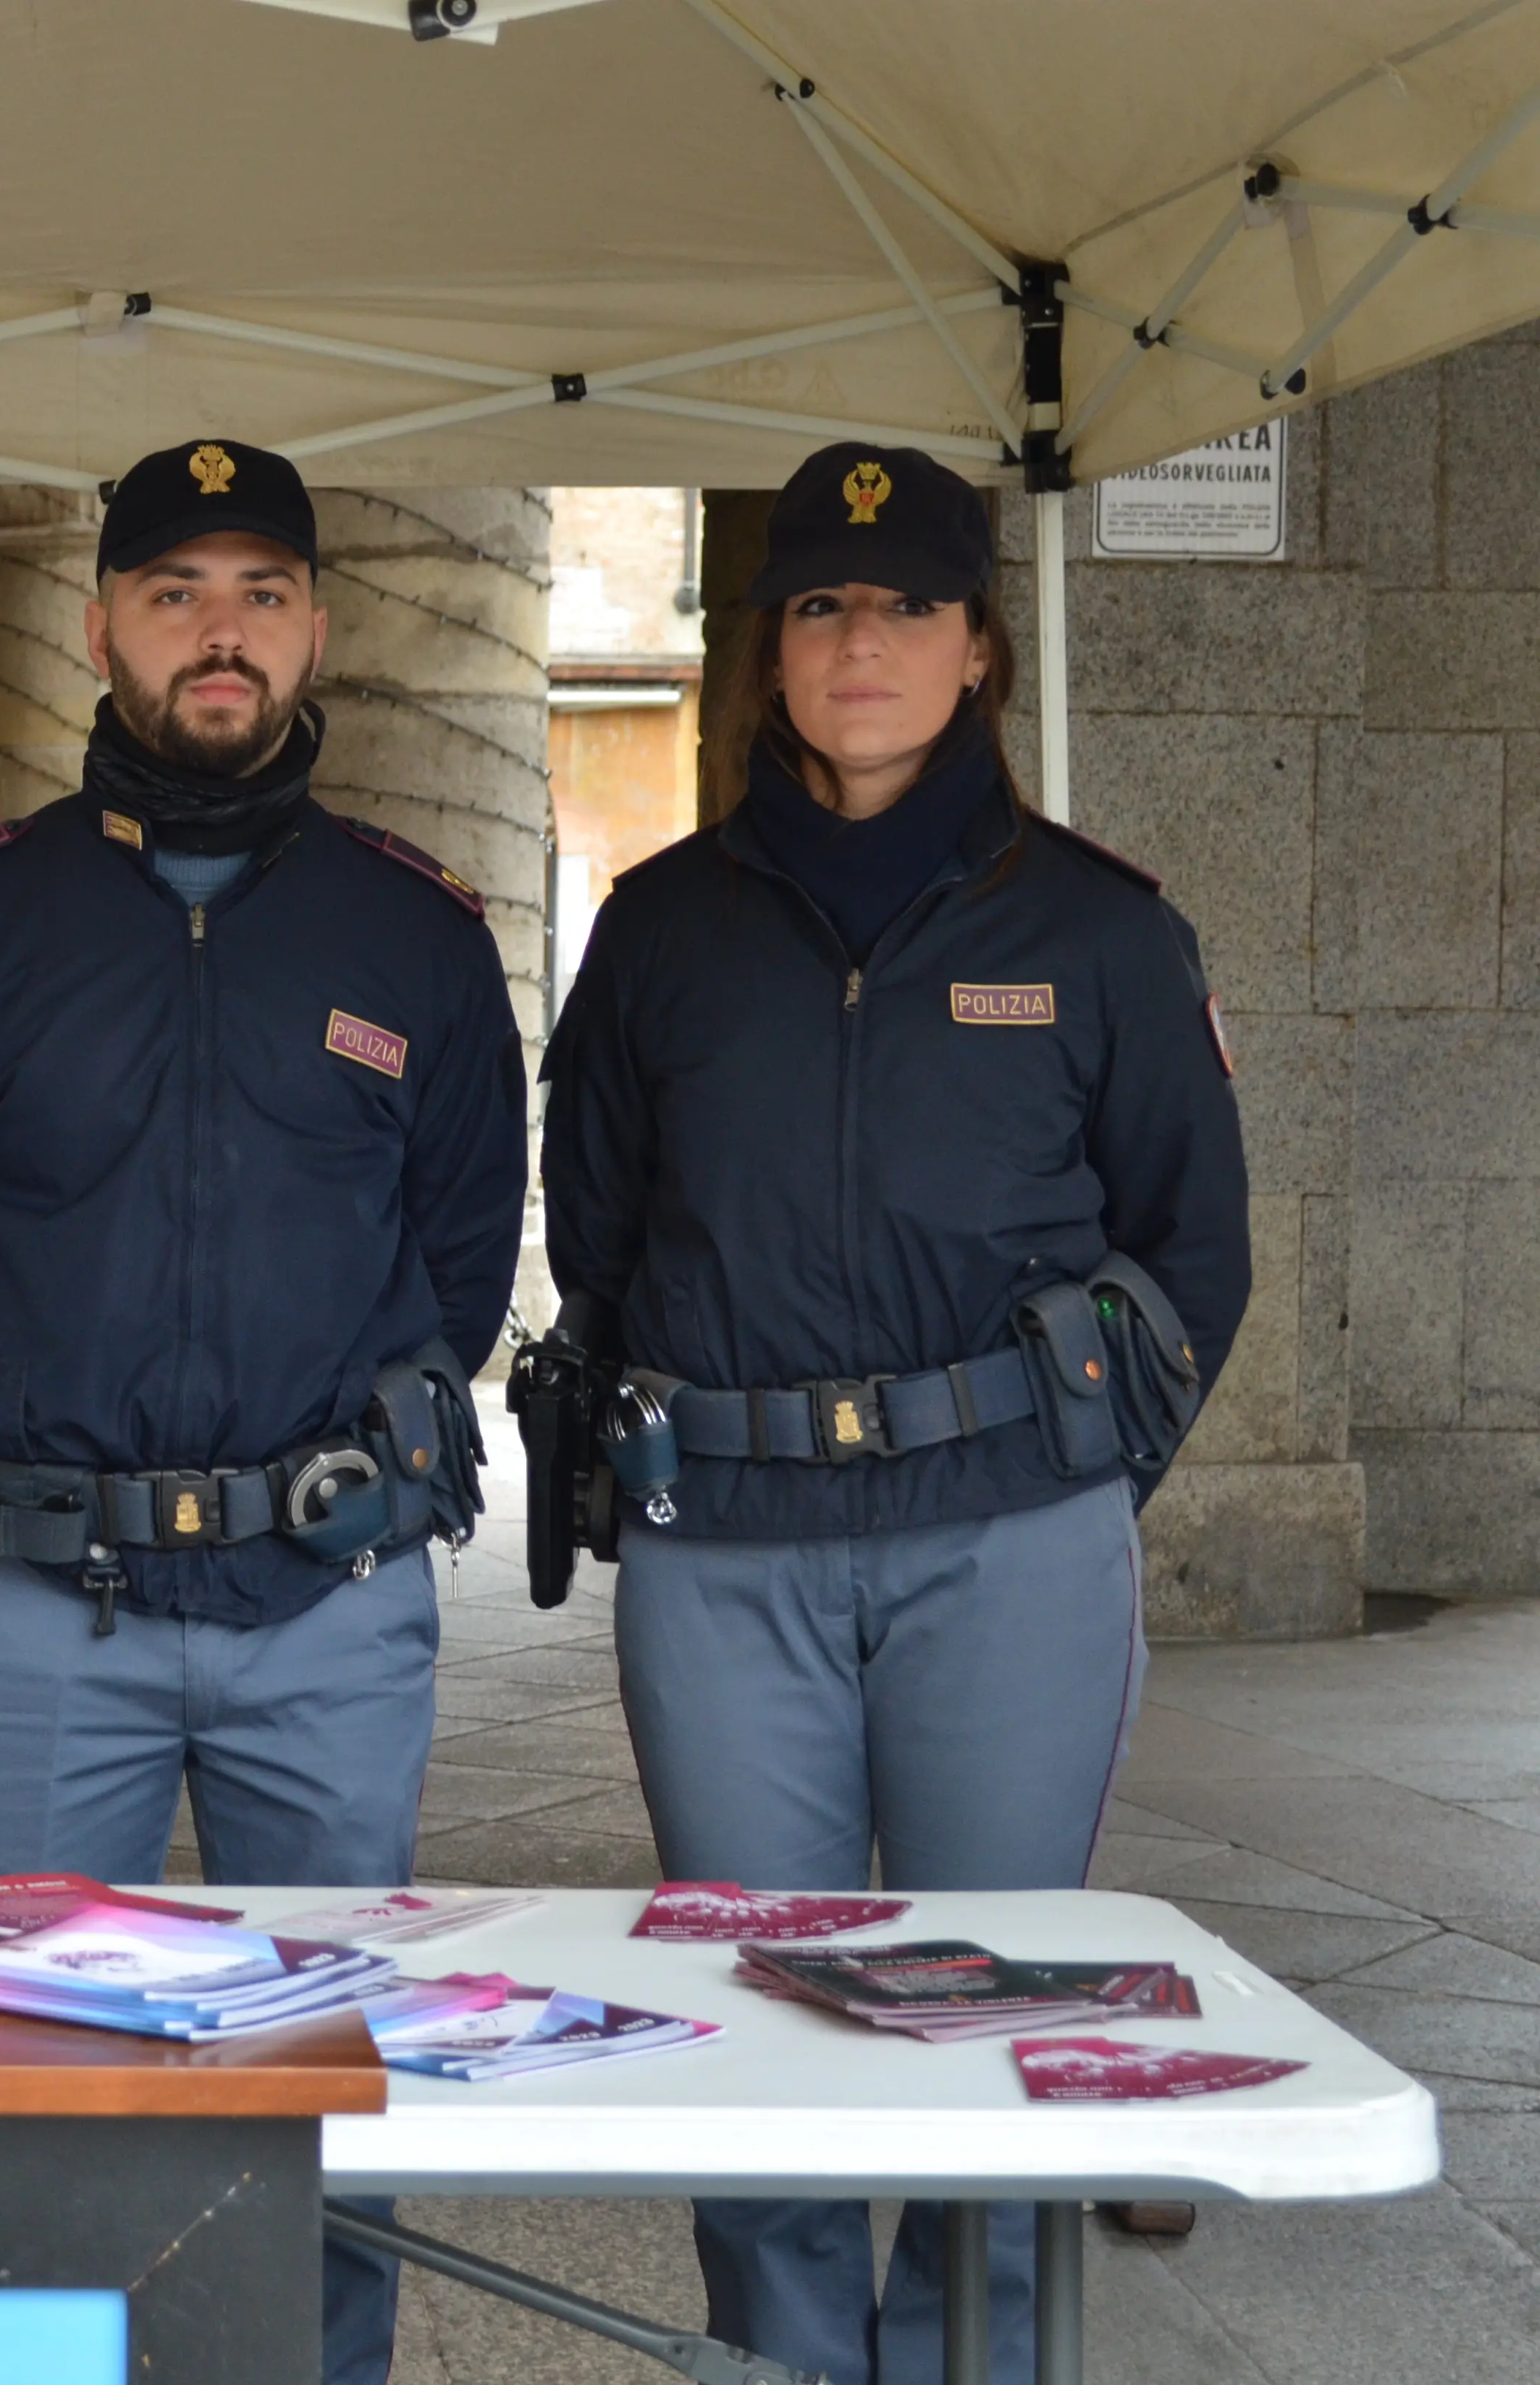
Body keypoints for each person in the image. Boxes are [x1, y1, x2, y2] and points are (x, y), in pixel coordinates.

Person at [0, 437, 527, 2385]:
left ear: (317, 632)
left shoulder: (416, 939)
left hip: (332, 1612)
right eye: (179, 594)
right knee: (24, 2093)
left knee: (323, 2105)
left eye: (264, 595)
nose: (225, 635)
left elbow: (458, 1266)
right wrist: (33, 1444)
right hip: (47, 1620)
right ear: (102, 623)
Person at [539, 442, 1249, 2385]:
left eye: (908, 606)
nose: (865, 642)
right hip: (733, 1561)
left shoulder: (1100, 932)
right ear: (775, 654)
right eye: (825, 607)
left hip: (1006, 1550)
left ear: (980, 652)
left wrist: (1068, 1487)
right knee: (759, 2018)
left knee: (989, 2028)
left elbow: (1197, 1248)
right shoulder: (664, 927)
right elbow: (594, 1230)